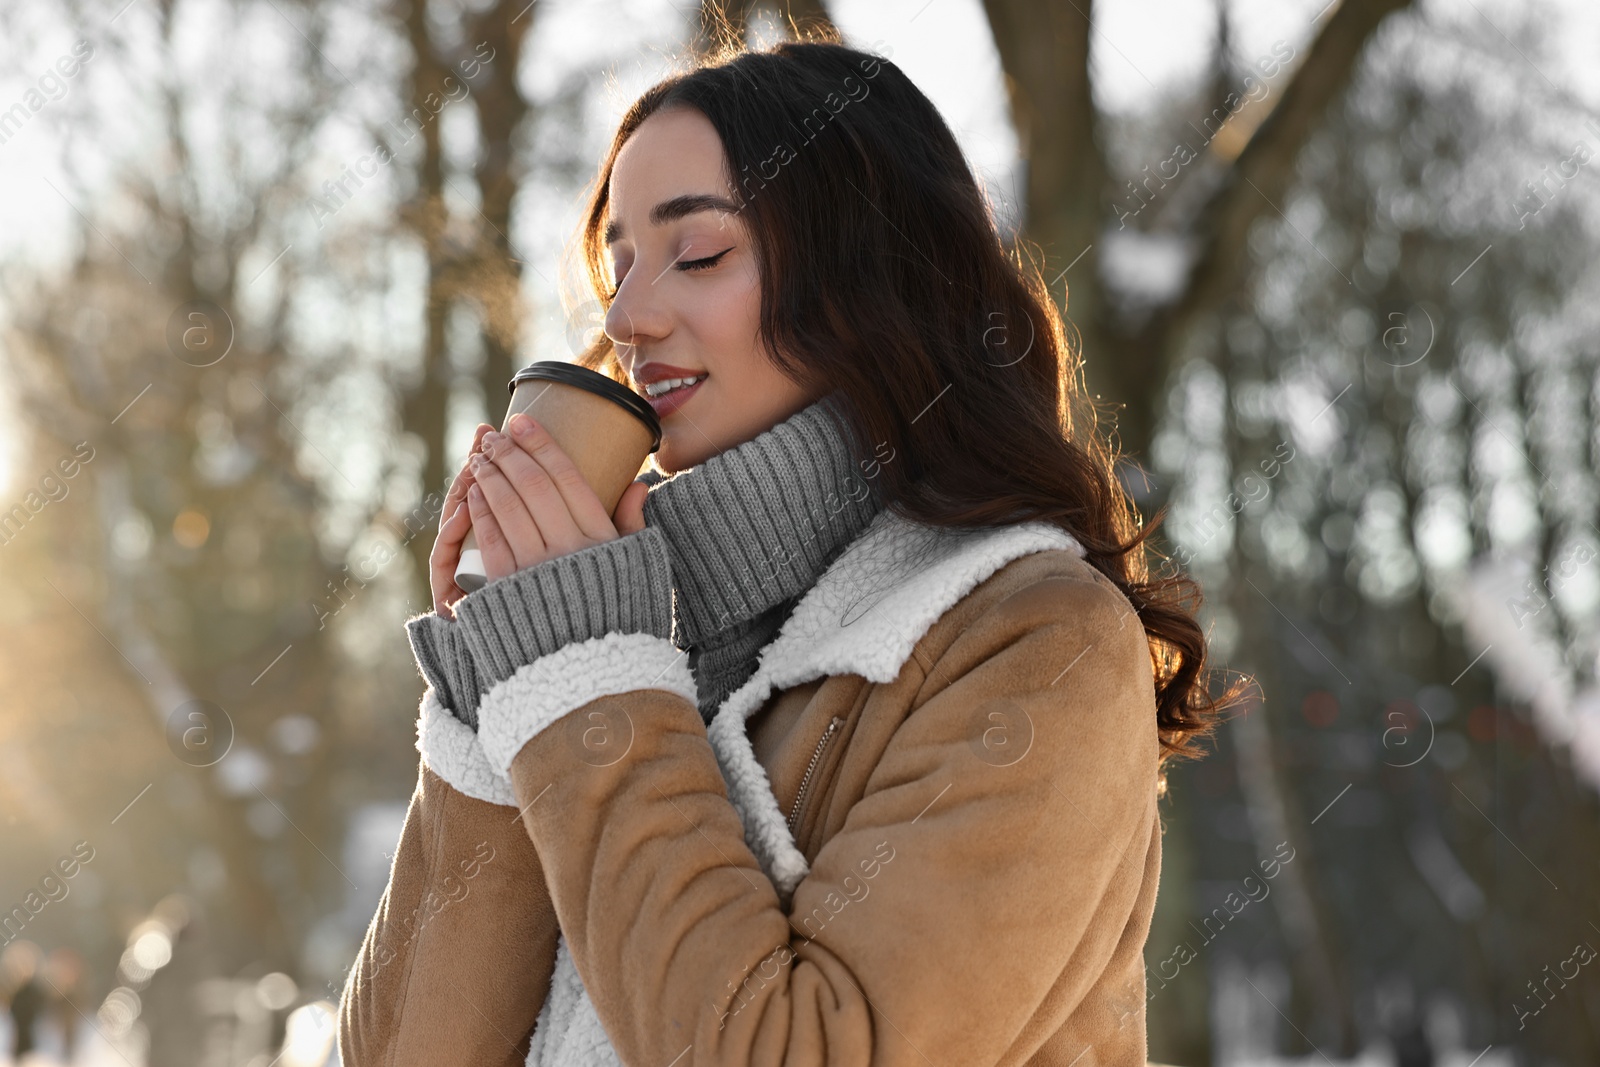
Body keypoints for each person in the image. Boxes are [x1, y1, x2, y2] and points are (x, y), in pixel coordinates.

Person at [340, 33, 1237, 1067]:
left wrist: (583, 674)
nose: (626, 317)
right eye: (618, 263)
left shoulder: (1034, 637)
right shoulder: (635, 632)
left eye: (702, 253)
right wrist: (496, 673)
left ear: (873, 274)